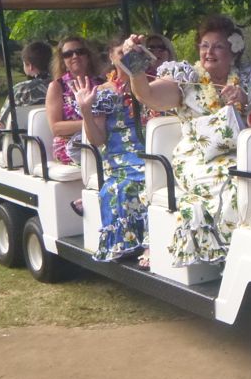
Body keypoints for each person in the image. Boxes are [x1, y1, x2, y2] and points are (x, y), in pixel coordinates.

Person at [118, 14, 251, 268]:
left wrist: (245, 101)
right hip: (196, 158)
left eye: (218, 46)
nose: (209, 52)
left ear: (233, 51)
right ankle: (230, 256)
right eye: (204, 45)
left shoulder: (248, 80)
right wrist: (134, 59)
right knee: (232, 183)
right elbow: (145, 94)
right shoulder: (185, 79)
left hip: (242, 153)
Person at [72, 37, 174, 265]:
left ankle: (160, 240)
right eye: (121, 53)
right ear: (111, 57)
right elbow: (98, 140)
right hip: (121, 159)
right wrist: (86, 111)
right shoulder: (103, 93)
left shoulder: (153, 87)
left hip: (155, 152)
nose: (126, 58)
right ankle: (144, 243)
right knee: (130, 185)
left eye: (132, 53)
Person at [0, 41, 52, 158]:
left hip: (19, 142)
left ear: (30, 66)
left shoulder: (23, 89)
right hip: (48, 137)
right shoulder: (61, 85)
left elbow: (1, 124)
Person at [45, 36, 104, 165]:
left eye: (80, 52)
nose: (75, 56)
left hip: (102, 139)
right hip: (70, 145)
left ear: (88, 56)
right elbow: (55, 128)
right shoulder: (56, 87)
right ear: (62, 61)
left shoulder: (102, 84)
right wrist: (92, 123)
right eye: (68, 54)